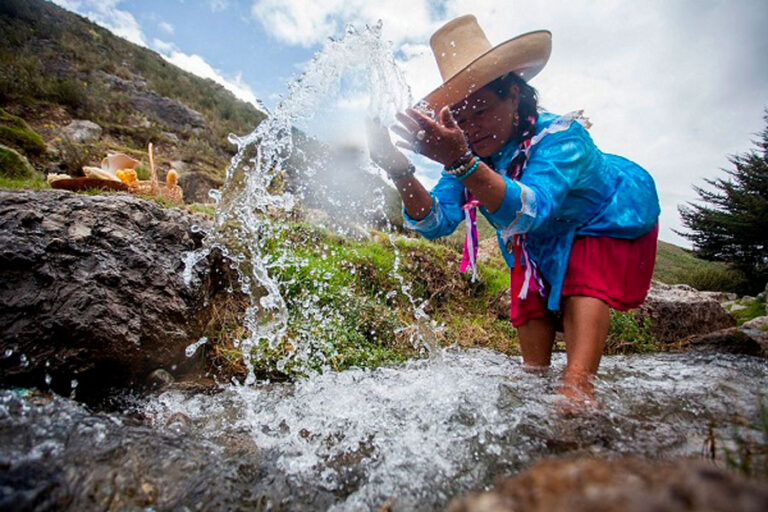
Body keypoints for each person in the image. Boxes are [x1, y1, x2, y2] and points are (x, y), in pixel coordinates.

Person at [367, 15, 660, 405]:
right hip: (534, 234)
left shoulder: (562, 138)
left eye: (482, 111)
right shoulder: (467, 153)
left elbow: (531, 209)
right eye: (461, 118)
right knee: (529, 318)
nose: (472, 128)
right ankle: (534, 391)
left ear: (516, 96)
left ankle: (578, 390)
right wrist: (399, 169)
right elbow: (437, 222)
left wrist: (462, 163)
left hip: (599, 217)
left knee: (582, 280)